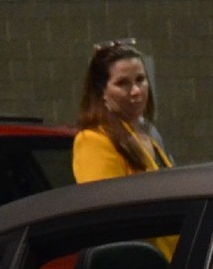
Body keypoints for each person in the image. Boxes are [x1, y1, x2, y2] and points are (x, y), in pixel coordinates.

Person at [72, 42, 172, 183]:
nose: (136, 91)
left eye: (140, 79)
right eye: (123, 83)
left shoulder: (150, 132)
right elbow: (103, 201)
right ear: (101, 92)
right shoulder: (93, 140)